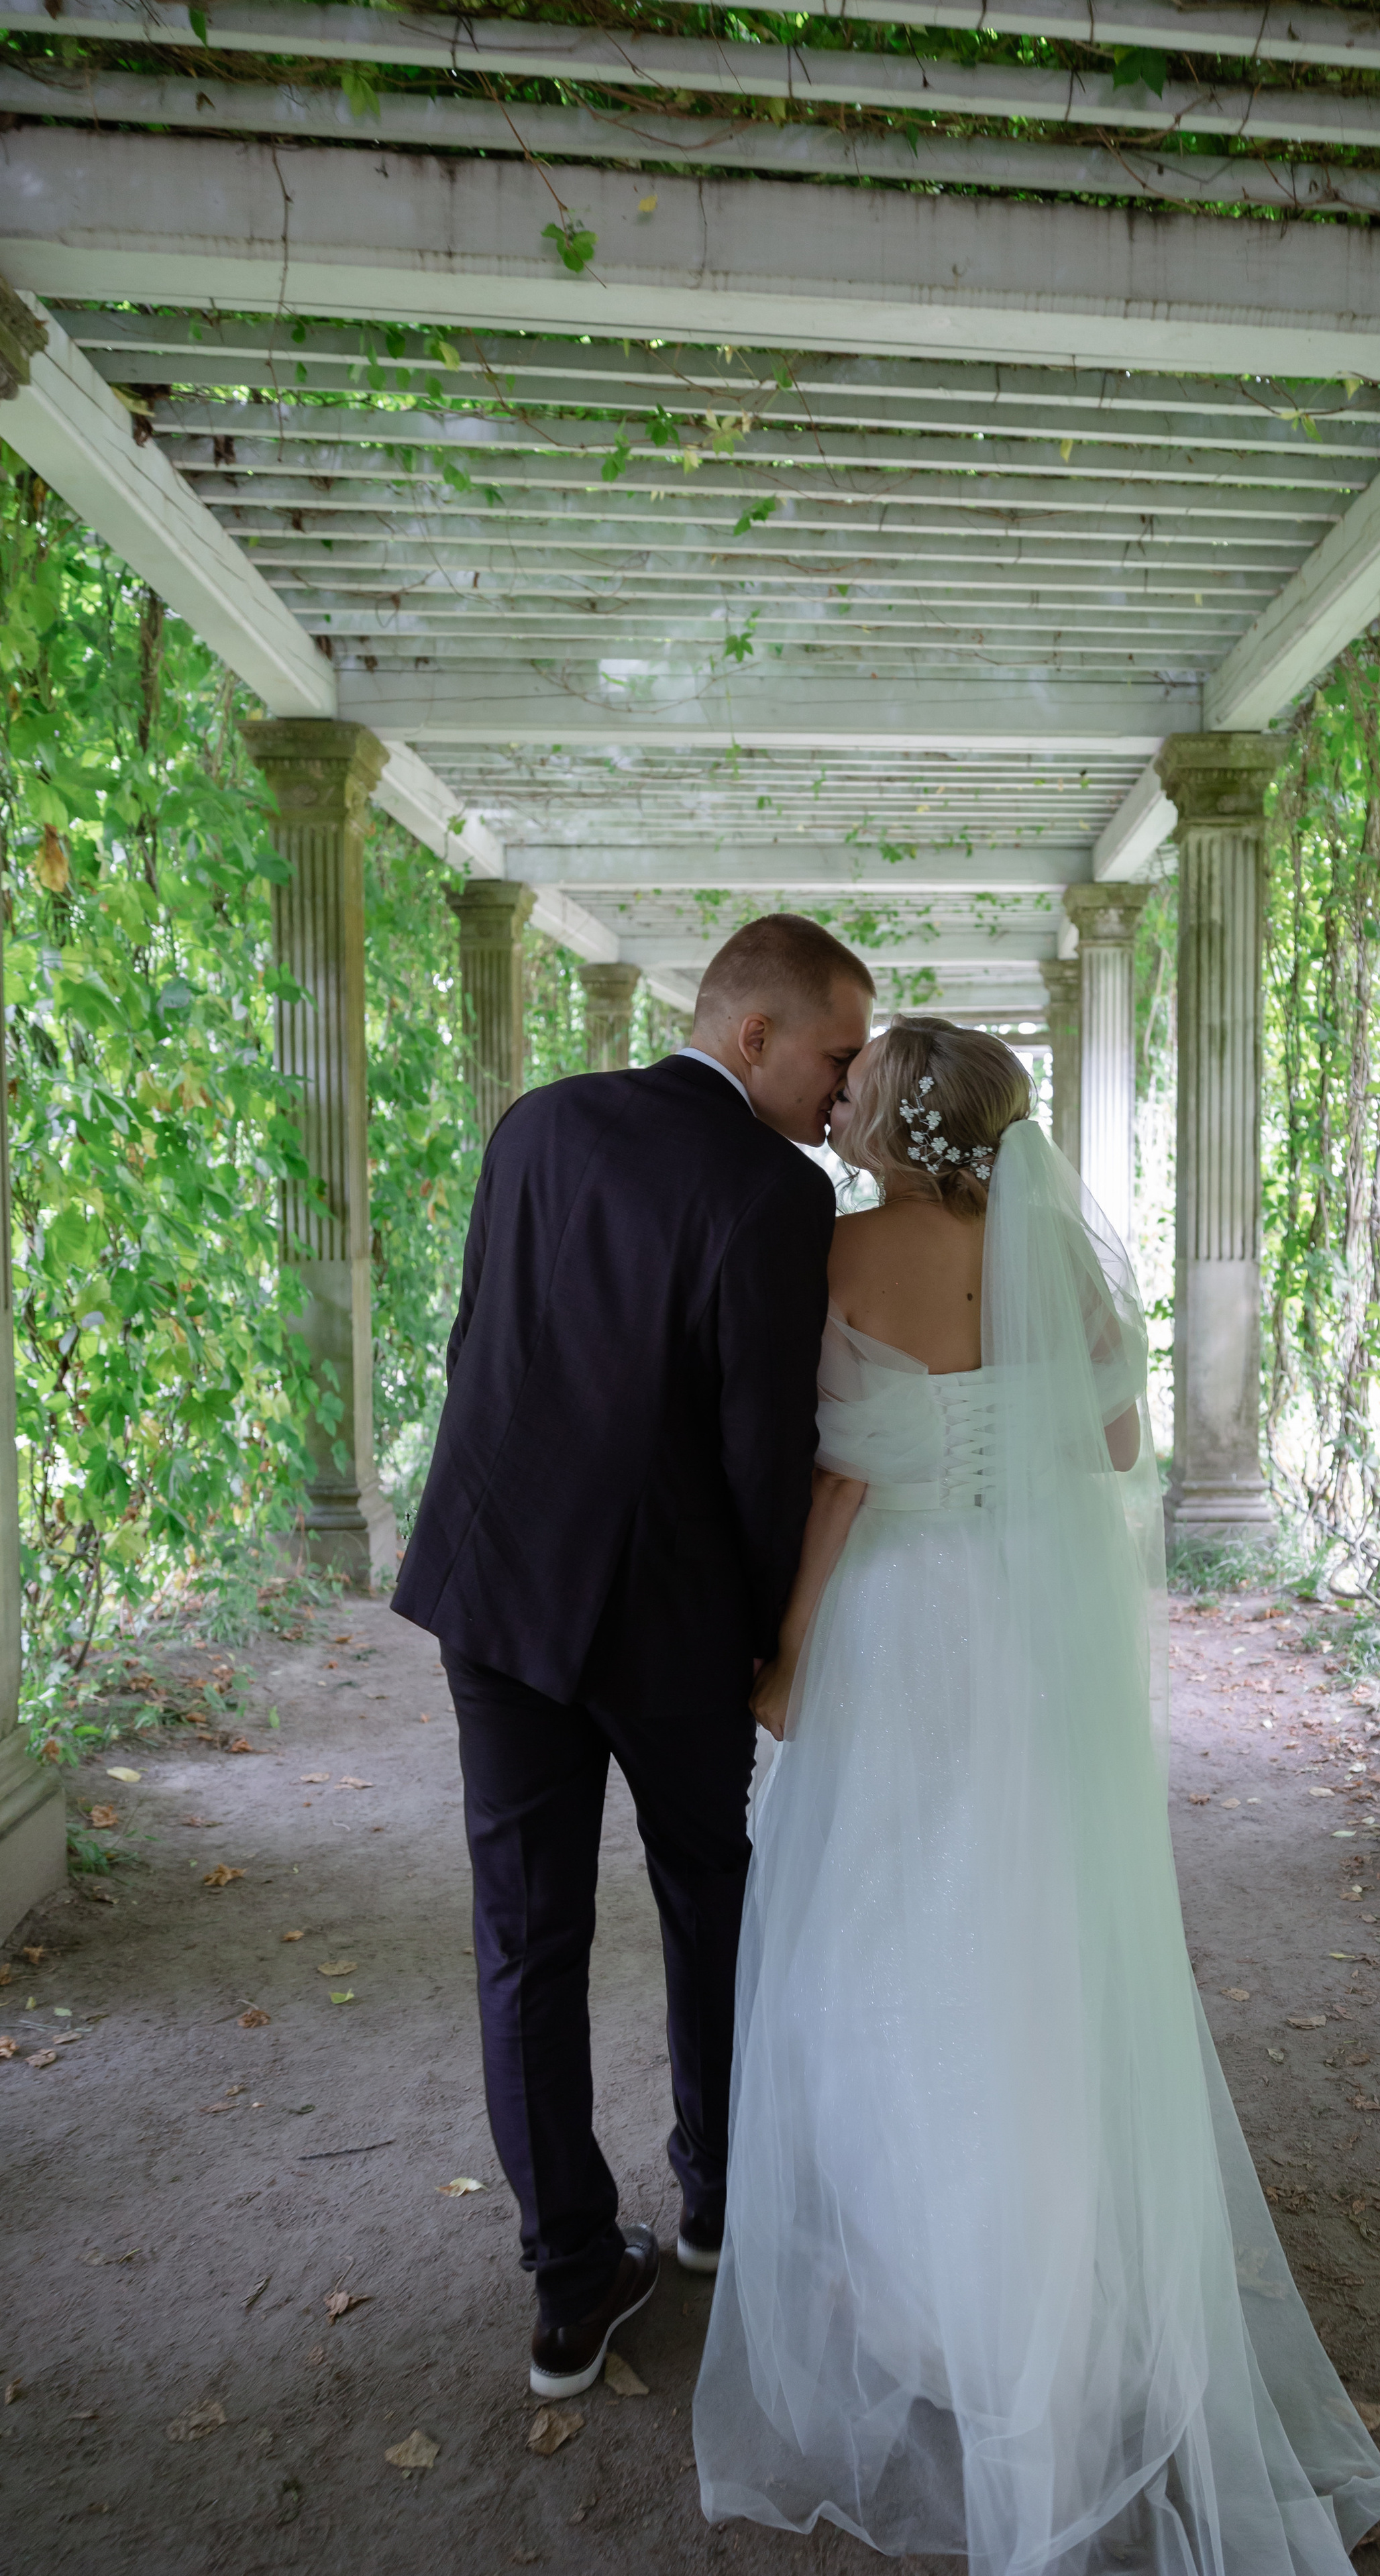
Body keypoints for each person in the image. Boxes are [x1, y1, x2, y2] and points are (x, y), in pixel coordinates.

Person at [693, 1018, 1380, 2575]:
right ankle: (1059, 2295)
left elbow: (829, 1472)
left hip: (893, 1622)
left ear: (883, 1117)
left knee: (884, 1934)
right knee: (1031, 1937)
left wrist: (789, 1650)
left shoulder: (835, 1252)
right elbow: (1115, 1445)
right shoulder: (1066, 1268)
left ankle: (928, 2297)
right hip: (1023, 1628)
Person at [392, 914, 873, 2400]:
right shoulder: (771, 1188)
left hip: (497, 1591)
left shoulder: (535, 1121)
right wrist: (762, 1630)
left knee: (525, 1937)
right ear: (753, 1038)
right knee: (704, 1896)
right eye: (835, 1057)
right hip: (665, 1618)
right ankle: (718, 2203)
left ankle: (566, 2282)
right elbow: (759, 1441)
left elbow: (482, 1337)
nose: (846, 1096)